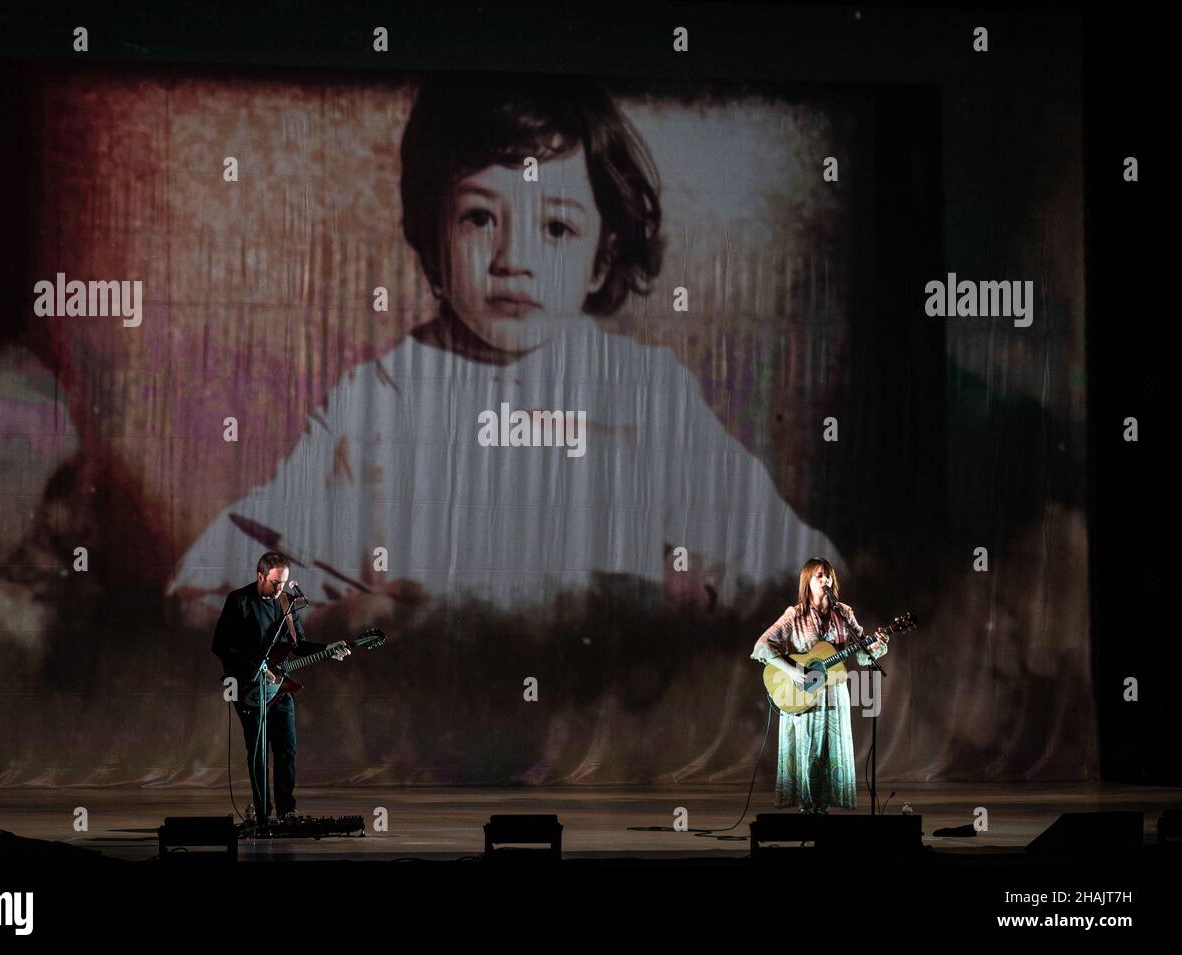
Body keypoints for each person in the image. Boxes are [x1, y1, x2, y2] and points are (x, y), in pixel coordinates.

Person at [171, 74, 841, 619]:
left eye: (556, 227)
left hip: (602, 737)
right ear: (434, 236)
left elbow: (803, 567)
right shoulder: (381, 395)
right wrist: (329, 616)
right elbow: (205, 588)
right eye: (479, 218)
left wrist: (711, 600)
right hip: (427, 736)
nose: (513, 257)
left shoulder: (643, 392)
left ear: (603, 258)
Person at [213, 551, 350, 823]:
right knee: (259, 752)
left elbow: (297, 644)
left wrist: (327, 649)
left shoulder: (286, 602)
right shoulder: (239, 601)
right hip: (249, 689)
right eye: (275, 583)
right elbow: (221, 646)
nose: (280, 589)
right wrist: (257, 668)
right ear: (260, 576)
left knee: (287, 747)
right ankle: (263, 812)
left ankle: (288, 810)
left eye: (284, 583)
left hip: (280, 687)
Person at [751, 558, 888, 813]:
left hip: (835, 692)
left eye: (829, 576)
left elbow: (860, 654)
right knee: (809, 751)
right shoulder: (795, 614)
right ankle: (807, 813)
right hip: (804, 692)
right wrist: (793, 671)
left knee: (830, 752)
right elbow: (762, 647)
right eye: (819, 576)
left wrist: (878, 643)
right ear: (808, 582)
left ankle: (822, 814)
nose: (826, 580)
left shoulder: (844, 614)